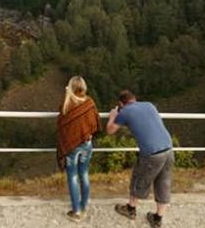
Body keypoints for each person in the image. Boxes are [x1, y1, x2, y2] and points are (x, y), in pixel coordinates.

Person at [107, 89, 174, 228]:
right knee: (163, 182)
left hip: (152, 153)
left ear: (121, 103)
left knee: (139, 177)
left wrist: (113, 116)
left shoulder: (125, 111)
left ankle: (131, 209)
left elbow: (110, 130)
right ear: (134, 99)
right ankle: (157, 219)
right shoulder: (149, 105)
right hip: (168, 149)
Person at [56, 76, 102, 223]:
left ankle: (76, 212)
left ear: (70, 88)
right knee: (84, 173)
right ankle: (84, 205)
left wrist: (67, 95)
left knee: (73, 176)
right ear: (84, 87)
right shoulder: (89, 102)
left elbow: (62, 127)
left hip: (72, 148)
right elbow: (94, 121)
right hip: (87, 144)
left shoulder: (66, 105)